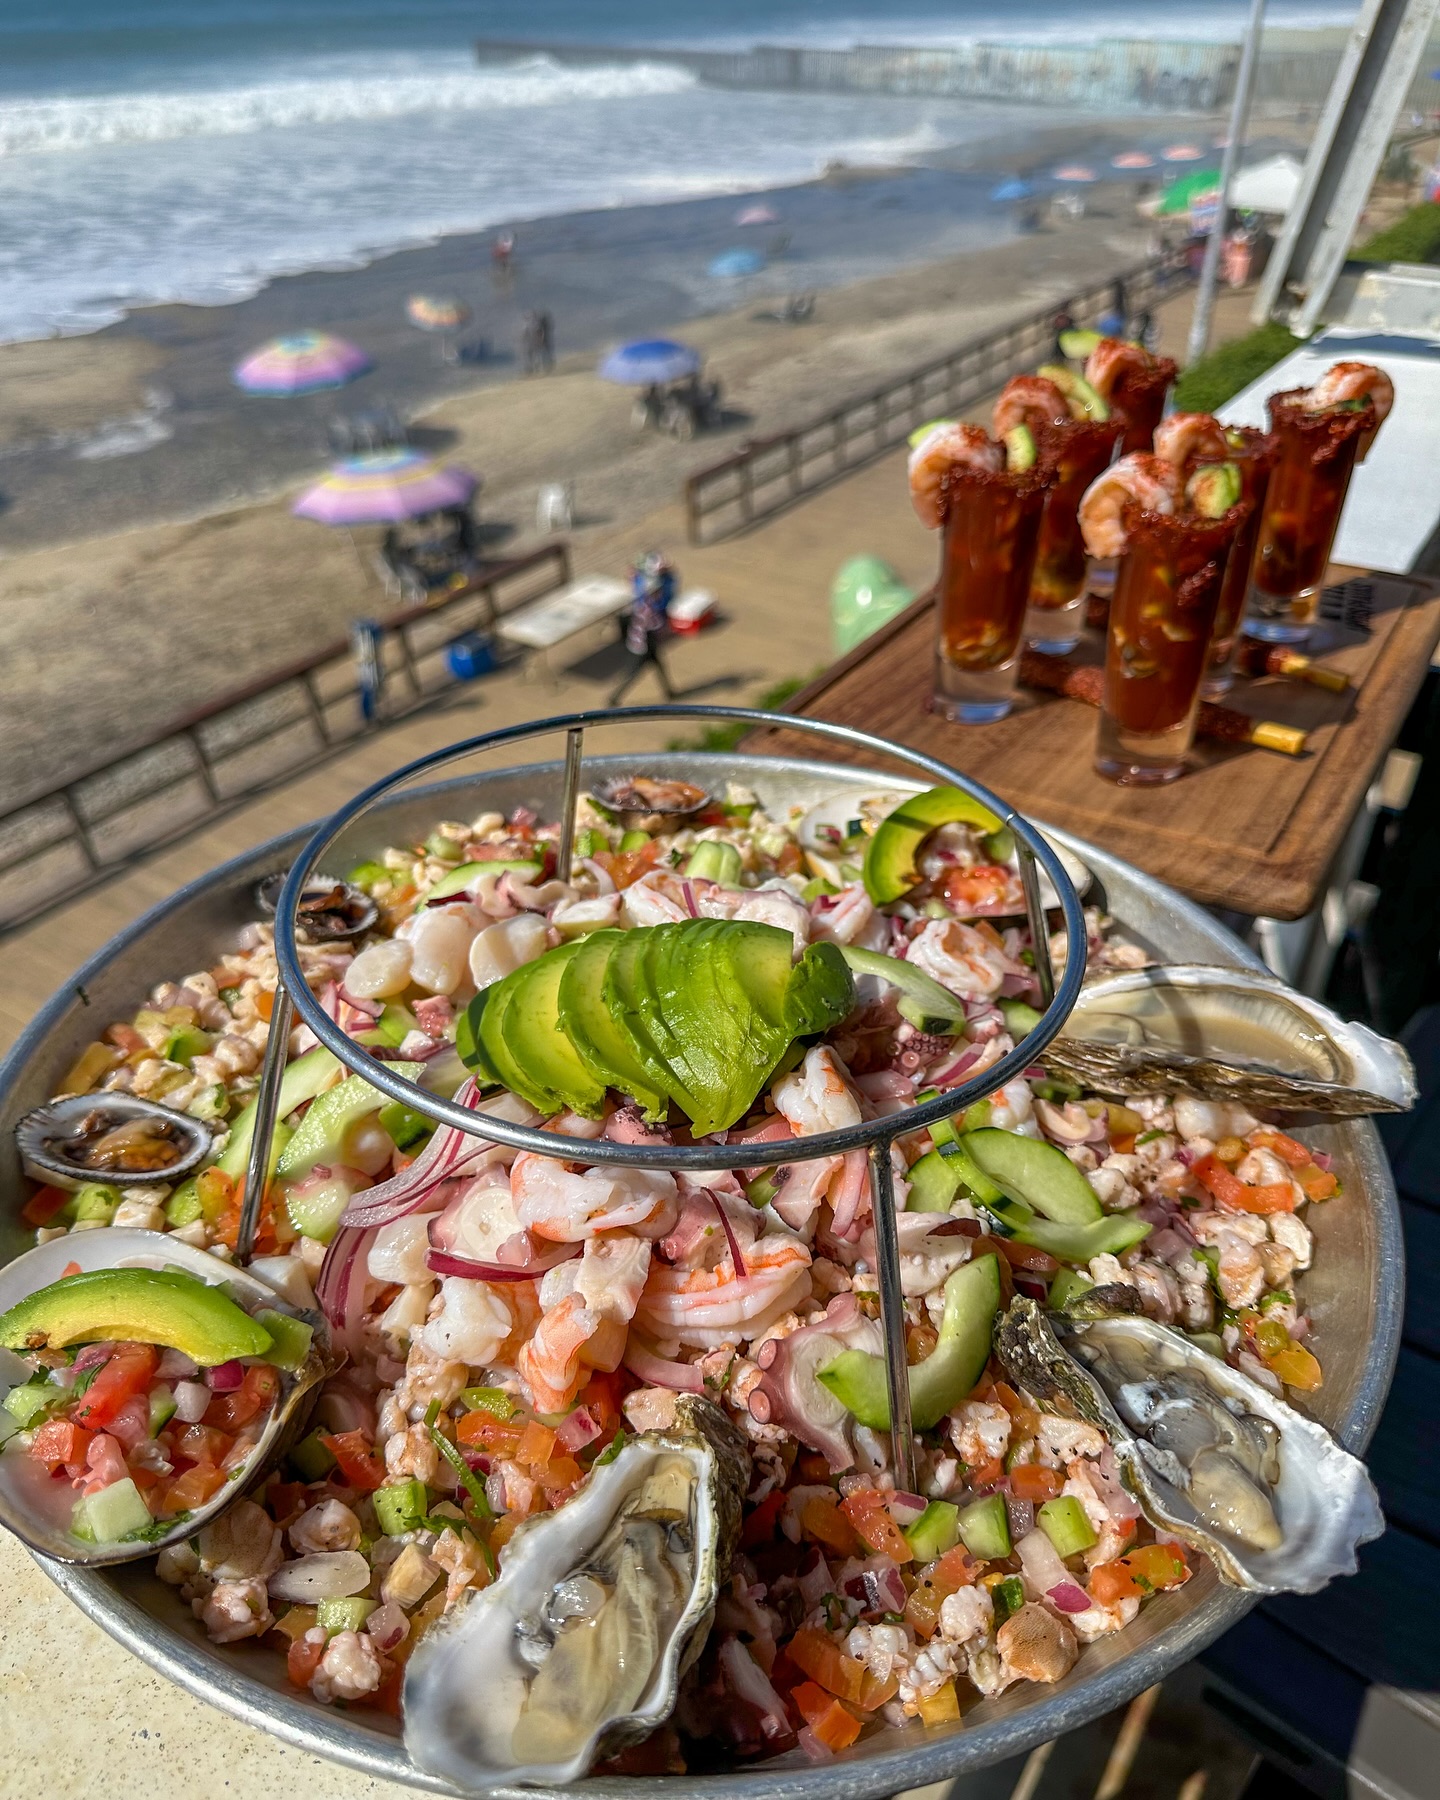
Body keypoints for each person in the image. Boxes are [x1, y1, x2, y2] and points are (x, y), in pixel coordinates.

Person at [609, 551, 677, 705]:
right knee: (635, 672)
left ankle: (670, 691)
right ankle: (615, 696)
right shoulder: (650, 606)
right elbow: (656, 622)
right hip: (644, 643)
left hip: (646, 641)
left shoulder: (643, 597)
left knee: (659, 666)